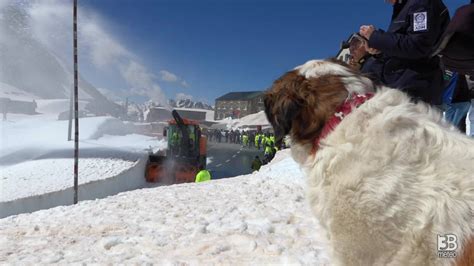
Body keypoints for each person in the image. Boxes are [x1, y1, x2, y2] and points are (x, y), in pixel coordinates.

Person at [359, 0, 450, 105]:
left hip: (417, 89)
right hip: (402, 89)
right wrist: (379, 51)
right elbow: (402, 49)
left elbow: (418, 45)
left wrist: (376, 37)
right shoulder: (403, 7)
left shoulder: (421, 3)